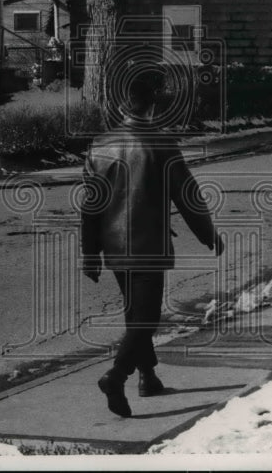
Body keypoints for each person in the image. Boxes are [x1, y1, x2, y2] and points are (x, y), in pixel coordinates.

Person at [79, 73, 224, 418]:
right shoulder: (161, 143)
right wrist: (208, 234)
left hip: (114, 247)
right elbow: (187, 196)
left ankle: (148, 376)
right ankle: (117, 377)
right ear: (153, 106)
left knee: (136, 314)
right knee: (145, 319)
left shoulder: (100, 145)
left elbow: (90, 205)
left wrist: (89, 253)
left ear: (121, 105)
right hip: (148, 245)